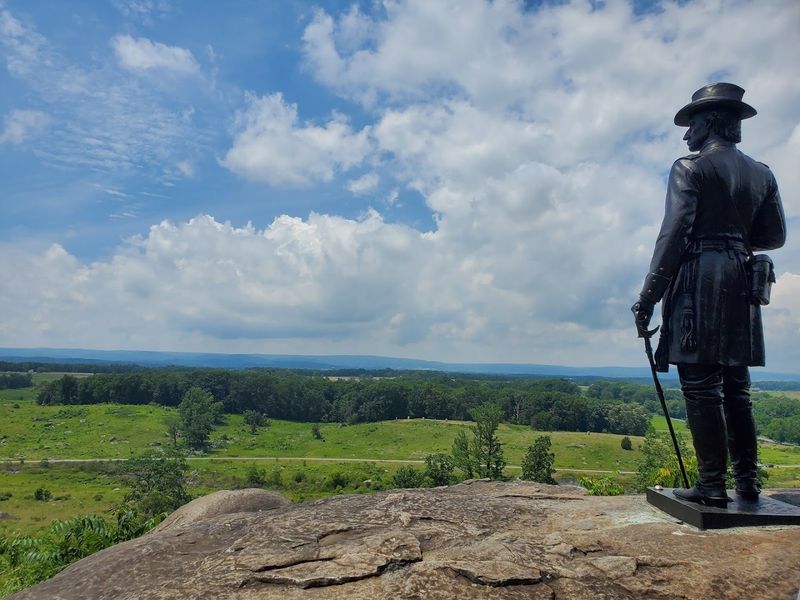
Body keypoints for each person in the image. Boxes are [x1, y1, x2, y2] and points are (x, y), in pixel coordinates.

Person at [631, 83, 786, 508]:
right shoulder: (762, 172)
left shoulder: (690, 168)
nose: (686, 136)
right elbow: (773, 235)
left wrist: (648, 296)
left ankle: (712, 486)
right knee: (737, 388)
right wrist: (735, 236)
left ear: (711, 122)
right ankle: (748, 484)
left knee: (701, 387)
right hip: (741, 278)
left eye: (692, 125)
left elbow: (674, 234)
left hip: (700, 280)